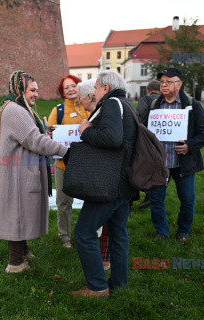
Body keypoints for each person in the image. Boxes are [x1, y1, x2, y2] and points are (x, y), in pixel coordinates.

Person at [0, 71, 68, 273]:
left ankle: (23, 251)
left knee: (21, 210)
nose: (36, 94)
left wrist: (45, 132)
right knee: (17, 211)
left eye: (37, 90)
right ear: (20, 90)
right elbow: (34, 141)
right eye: (32, 90)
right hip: (19, 173)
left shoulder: (15, 107)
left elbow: (31, 134)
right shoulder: (16, 111)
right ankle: (15, 263)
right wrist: (65, 151)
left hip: (19, 169)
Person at [71, 70, 137, 298]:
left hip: (108, 183)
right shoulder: (125, 104)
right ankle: (118, 283)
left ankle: (97, 287)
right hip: (124, 182)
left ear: (105, 88)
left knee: (83, 232)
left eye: (97, 88)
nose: (95, 92)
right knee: (119, 233)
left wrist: (86, 131)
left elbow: (112, 139)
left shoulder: (110, 104)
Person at [138, 67, 204, 244]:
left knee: (187, 200)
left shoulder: (192, 105)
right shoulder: (154, 105)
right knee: (156, 200)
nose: (164, 85)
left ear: (179, 84)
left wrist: (189, 146)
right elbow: (144, 130)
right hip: (159, 164)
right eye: (162, 81)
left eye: (169, 81)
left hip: (183, 164)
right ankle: (162, 233)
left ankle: (183, 231)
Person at [47, 75, 90, 249]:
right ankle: (65, 236)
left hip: (87, 164)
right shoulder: (57, 110)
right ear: (62, 92)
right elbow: (49, 134)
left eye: (74, 85)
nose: (71, 89)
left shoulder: (89, 107)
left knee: (92, 199)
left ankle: (92, 232)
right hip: (63, 164)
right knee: (64, 202)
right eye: (67, 87)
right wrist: (49, 132)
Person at [78, 79, 110, 270]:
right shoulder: (98, 113)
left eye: (81, 98)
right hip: (99, 174)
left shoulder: (100, 116)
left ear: (90, 96)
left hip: (102, 176)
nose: (80, 101)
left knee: (98, 223)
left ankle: (103, 261)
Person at [135, 80, 161, 209]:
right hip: (163, 140)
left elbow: (137, 117)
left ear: (148, 90)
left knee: (143, 168)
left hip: (147, 140)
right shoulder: (164, 101)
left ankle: (149, 194)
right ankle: (153, 195)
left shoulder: (145, 100)